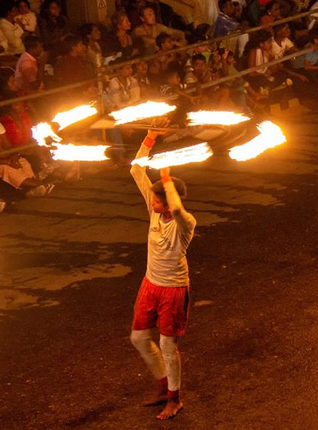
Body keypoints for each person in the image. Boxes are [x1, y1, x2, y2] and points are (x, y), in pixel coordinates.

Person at [129, 130, 196, 420]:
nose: (152, 205)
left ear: (167, 201)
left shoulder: (185, 222)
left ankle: (174, 398)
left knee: (168, 345)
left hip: (173, 288)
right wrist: (149, 138)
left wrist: (167, 180)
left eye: (157, 201)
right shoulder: (156, 210)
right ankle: (162, 384)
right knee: (139, 338)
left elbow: (178, 208)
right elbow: (135, 169)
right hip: (150, 283)